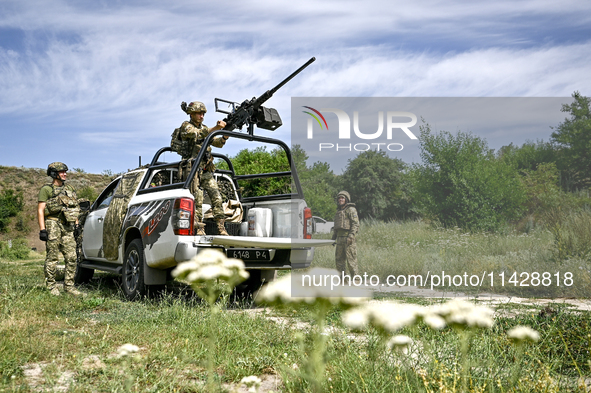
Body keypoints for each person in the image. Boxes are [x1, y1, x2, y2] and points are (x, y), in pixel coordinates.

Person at [177, 101, 229, 236]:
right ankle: (199, 229)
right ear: (192, 114)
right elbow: (198, 134)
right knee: (197, 199)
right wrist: (216, 128)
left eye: (203, 113)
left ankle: (221, 228)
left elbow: (216, 143)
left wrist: (224, 136)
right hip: (192, 170)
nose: (202, 116)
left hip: (205, 170)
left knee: (216, 196)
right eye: (199, 113)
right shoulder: (186, 127)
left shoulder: (205, 128)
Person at [37, 162, 82, 296]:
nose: (65, 174)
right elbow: (41, 210)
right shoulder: (46, 189)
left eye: (65, 172)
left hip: (68, 225)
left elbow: (74, 208)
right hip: (52, 224)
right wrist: (42, 229)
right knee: (52, 257)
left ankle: (69, 287)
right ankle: (51, 287)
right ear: (54, 174)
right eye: (62, 172)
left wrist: (77, 224)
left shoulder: (69, 188)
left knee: (72, 257)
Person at [331, 191, 359, 277]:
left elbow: (355, 224)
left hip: (348, 238)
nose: (340, 199)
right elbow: (336, 226)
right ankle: (343, 281)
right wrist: (333, 238)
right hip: (339, 239)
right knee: (339, 261)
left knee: (351, 260)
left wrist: (351, 236)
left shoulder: (351, 210)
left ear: (346, 199)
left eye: (342, 198)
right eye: (339, 198)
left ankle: (356, 280)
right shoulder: (338, 212)